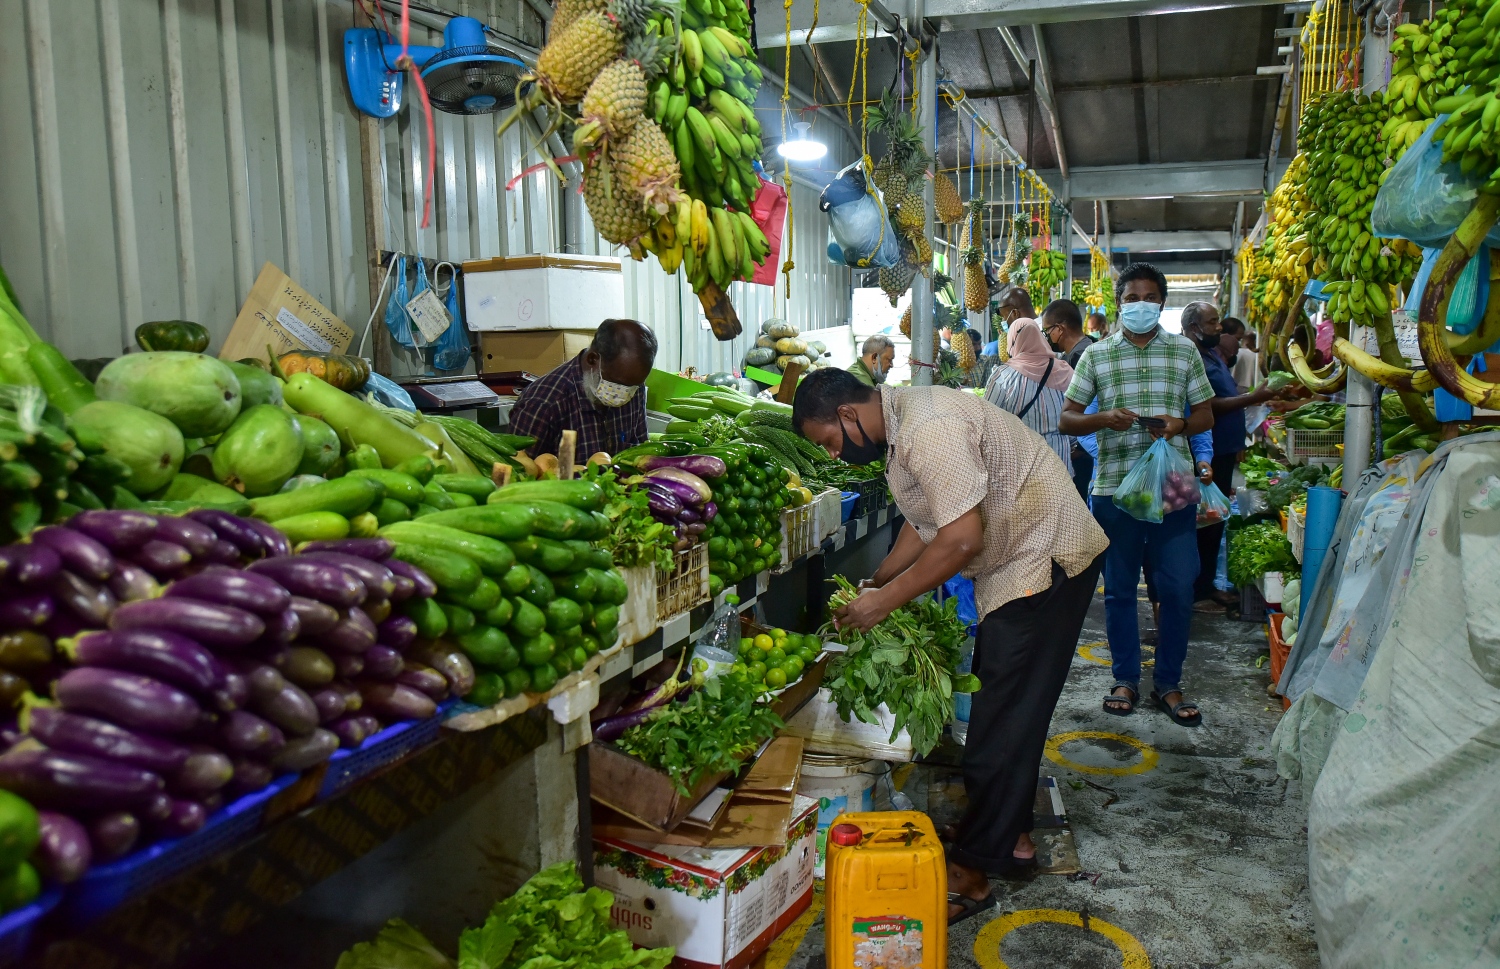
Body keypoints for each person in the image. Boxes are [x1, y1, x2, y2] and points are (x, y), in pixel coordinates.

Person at [792, 369, 1107, 925]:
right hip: (1022, 560)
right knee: (1006, 706)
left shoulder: (930, 427)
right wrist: (881, 579)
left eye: (830, 442)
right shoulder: (901, 426)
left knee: (1002, 722)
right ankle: (1011, 834)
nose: (836, 456)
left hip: (1044, 561)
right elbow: (930, 519)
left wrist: (884, 603)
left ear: (847, 416)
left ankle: (976, 870)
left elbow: (961, 539)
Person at [1057, 262, 1214, 727]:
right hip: (1114, 490)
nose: (1140, 305)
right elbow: (1067, 418)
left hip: (1172, 489)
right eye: (1131, 298)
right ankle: (1125, 677)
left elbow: (1206, 415)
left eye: (1149, 298)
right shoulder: (1096, 356)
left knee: (1179, 587)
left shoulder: (1185, 353)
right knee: (1120, 591)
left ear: (1161, 304)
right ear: (1118, 303)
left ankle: (1169, 681)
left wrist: (1181, 425)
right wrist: (1103, 419)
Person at [1180, 303, 1288, 612]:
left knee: (1213, 518)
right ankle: (1197, 591)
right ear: (1193, 328)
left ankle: (1207, 585)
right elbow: (1208, 405)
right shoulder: (1191, 358)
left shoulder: (1212, 354)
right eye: (1212, 322)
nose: (1219, 328)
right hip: (1204, 451)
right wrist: (1255, 398)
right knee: (1203, 520)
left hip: (1223, 448)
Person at [508, 318, 657, 460]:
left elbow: (641, 451)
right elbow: (520, 473)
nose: (625, 395)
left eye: (633, 387)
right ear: (592, 359)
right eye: (618, 385)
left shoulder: (633, 386)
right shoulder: (543, 403)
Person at [984, 318, 1074, 467]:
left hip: (1021, 465)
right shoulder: (1065, 370)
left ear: (1013, 340)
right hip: (1059, 462)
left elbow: (988, 422)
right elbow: (1074, 416)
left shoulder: (1003, 376)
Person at [1041, 299, 1094, 369]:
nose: (1047, 335)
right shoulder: (1079, 351)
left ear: (1059, 329)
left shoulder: (1078, 357)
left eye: (1047, 330)